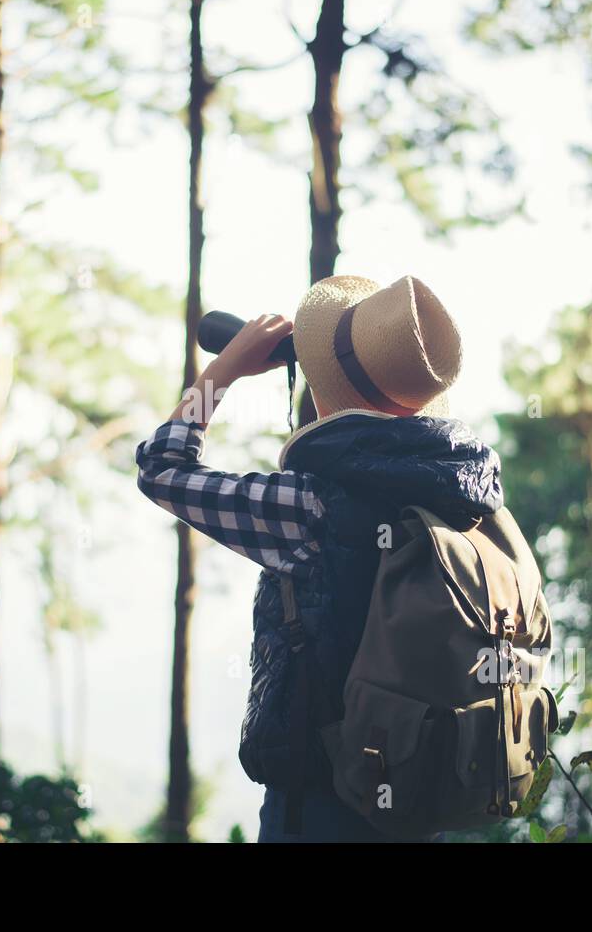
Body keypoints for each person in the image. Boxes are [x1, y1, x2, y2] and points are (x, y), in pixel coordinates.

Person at [135, 274, 505, 842]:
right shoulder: (466, 495)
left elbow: (163, 468)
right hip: (416, 786)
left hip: (319, 801)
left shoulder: (313, 507)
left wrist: (224, 371)